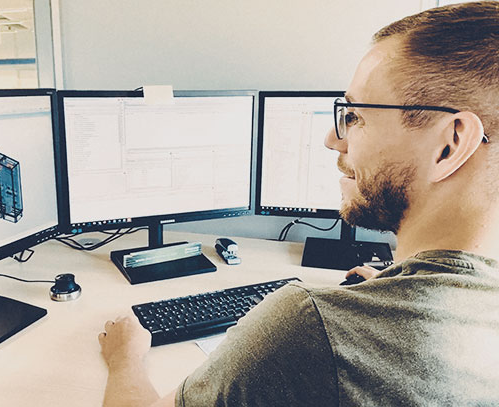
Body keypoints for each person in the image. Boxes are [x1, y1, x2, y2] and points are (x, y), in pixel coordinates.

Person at [98, 2, 499, 405]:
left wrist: (124, 357)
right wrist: (398, 286)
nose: (332, 139)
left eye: (355, 116)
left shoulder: (310, 327)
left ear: (450, 144)